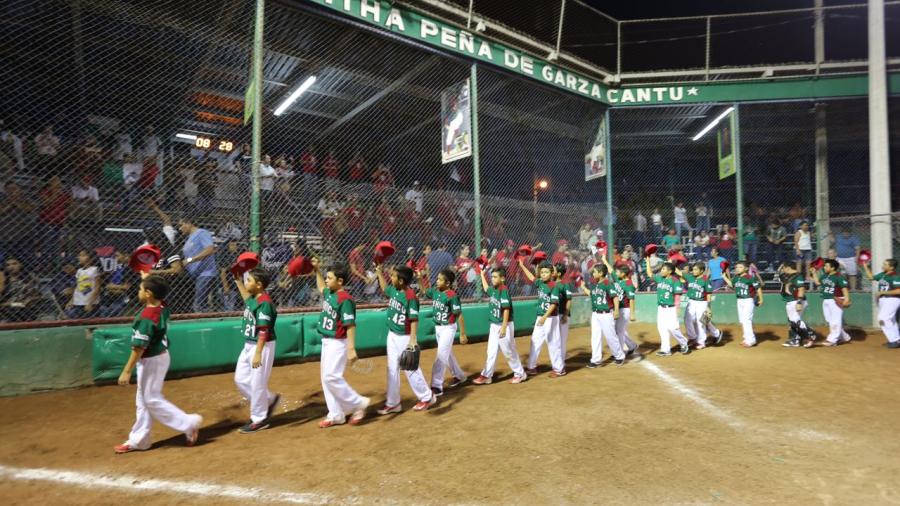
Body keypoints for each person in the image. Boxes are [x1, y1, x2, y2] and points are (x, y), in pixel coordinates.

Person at [113, 274, 202, 453]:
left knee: (151, 399)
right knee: (143, 401)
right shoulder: (161, 307)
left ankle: (188, 423)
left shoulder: (146, 317)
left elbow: (138, 348)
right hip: (159, 356)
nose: (138, 291)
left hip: (151, 361)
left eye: (141, 289)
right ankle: (140, 440)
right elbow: (158, 298)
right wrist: (147, 277)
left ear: (148, 293)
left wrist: (126, 371)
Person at [311, 259, 370, 428]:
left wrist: (351, 348)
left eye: (330, 277)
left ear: (340, 281)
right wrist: (316, 271)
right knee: (326, 379)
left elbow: (350, 324)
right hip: (327, 341)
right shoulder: (331, 292)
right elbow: (321, 287)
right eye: (327, 277)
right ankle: (336, 414)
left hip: (338, 342)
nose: (327, 280)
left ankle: (358, 403)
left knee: (332, 377)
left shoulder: (345, 300)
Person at [373, 264, 436, 414]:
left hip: (405, 337)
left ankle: (427, 397)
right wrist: (379, 273)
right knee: (392, 369)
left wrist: (412, 340)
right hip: (392, 334)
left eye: (394, 276)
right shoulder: (394, 289)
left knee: (410, 368)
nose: (391, 278)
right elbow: (384, 288)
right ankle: (393, 402)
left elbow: (414, 319)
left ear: (401, 281)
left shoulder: (410, 297)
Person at [232, 267, 281, 433]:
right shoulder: (254, 298)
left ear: (259, 285)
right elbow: (247, 300)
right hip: (249, 345)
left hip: (262, 345)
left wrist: (258, 353)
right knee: (240, 379)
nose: (247, 283)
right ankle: (268, 399)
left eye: (249, 280)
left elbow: (263, 331)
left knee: (257, 383)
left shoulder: (265, 303)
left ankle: (259, 419)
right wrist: (238, 281)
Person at [418, 268, 468, 396]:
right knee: (447, 354)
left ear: (448, 283)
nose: (437, 281)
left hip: (448, 328)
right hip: (438, 328)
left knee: (441, 356)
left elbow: (459, 315)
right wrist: (419, 277)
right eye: (438, 278)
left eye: (440, 279)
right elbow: (424, 290)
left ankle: (437, 386)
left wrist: (462, 333)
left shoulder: (452, 296)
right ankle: (459, 375)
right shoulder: (436, 292)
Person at [472, 267, 527, 384]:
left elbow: (506, 309)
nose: (492, 279)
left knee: (508, 351)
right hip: (494, 325)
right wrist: (482, 274)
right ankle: (487, 375)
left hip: (504, 324)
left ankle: (520, 373)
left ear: (502, 278)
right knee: (491, 351)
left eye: (495, 277)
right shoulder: (494, 290)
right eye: (492, 277)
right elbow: (486, 288)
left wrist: (503, 326)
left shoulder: (504, 290)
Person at [519, 259, 564, 377]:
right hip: (541, 317)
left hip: (550, 317)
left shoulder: (554, 286)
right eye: (542, 272)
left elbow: (554, 304)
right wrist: (522, 266)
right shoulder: (540, 283)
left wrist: (544, 317)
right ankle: (532, 367)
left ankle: (559, 369)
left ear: (551, 273)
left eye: (546, 272)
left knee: (553, 343)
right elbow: (531, 277)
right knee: (535, 340)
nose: (543, 274)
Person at [581, 264, 623, 367]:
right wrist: (582, 287)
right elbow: (591, 293)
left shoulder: (608, 283)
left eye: (595, 272)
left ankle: (619, 356)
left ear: (601, 273)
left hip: (606, 314)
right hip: (595, 314)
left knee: (610, 337)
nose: (593, 273)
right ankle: (596, 360)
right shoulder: (595, 284)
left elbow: (615, 297)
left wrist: (616, 310)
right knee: (595, 337)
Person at [645, 259, 690, 357]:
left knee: (673, 328)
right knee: (662, 328)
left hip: (671, 308)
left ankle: (683, 342)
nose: (661, 271)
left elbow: (677, 296)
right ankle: (666, 350)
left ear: (669, 271)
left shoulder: (675, 281)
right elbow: (649, 273)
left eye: (663, 269)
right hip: (661, 308)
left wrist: (677, 309)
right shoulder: (660, 278)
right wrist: (647, 260)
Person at [178, 216, 217, 313]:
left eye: (181, 225)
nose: (180, 228)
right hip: (194, 275)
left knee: (199, 305)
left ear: (189, 223)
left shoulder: (201, 233)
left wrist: (190, 260)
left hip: (205, 274)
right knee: (196, 304)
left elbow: (210, 249)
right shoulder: (189, 238)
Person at [811, 259, 852, 347]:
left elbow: (844, 288)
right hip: (826, 300)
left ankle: (832, 340)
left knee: (835, 320)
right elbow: (818, 283)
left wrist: (847, 299)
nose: (824, 267)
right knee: (829, 320)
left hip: (836, 300)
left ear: (833, 268)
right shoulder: (825, 276)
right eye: (824, 266)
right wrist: (814, 273)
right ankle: (845, 337)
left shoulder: (839, 277)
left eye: (826, 266)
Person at [681, 262, 722, 350]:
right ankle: (692, 337)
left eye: (696, 269)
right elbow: (678, 272)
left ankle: (701, 342)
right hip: (691, 302)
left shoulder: (705, 280)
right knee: (687, 319)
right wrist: (671, 261)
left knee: (702, 322)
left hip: (702, 302)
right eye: (693, 269)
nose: (693, 271)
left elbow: (709, 294)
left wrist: (708, 307)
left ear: (702, 271)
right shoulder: (690, 277)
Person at [723, 261, 764, 348]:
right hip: (739, 300)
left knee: (746, 320)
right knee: (742, 321)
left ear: (745, 268)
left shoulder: (750, 277)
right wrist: (724, 277)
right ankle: (746, 338)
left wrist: (761, 299)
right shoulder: (736, 277)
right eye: (737, 267)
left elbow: (758, 288)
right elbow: (732, 285)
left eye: (740, 267)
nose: (737, 269)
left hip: (748, 300)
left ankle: (751, 340)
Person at [861, 258, 900, 348]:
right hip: (884, 300)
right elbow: (871, 277)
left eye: (885, 264)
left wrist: (883, 292)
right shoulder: (883, 275)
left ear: (891, 267)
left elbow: (899, 291)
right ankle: (896, 339)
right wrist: (865, 267)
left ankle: (894, 340)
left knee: (882, 318)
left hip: (892, 300)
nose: (883, 266)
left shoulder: (895, 276)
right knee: (891, 320)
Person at [778, 262, 815, 348]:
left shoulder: (797, 276)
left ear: (788, 267)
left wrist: (799, 302)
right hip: (790, 301)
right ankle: (795, 340)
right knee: (792, 322)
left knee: (795, 321)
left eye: (783, 268)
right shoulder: (787, 276)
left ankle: (810, 335)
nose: (782, 270)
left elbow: (801, 289)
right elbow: (777, 276)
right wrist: (780, 269)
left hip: (796, 301)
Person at [0, 257, 40, 322]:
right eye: (8, 265)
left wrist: (30, 299)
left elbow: (36, 295)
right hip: (8, 308)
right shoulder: (4, 281)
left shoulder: (29, 279)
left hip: (26, 309)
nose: (11, 267)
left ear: (20, 265)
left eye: (14, 264)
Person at [98, 249, 136, 317]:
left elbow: (127, 289)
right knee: (103, 310)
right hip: (113, 297)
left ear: (126, 256)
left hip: (124, 299)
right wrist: (119, 288)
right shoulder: (118, 269)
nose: (115, 258)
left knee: (112, 311)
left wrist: (114, 288)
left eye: (117, 256)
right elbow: (108, 286)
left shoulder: (130, 269)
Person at [65, 249, 100, 319]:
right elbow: (77, 288)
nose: (79, 257)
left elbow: (97, 288)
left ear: (91, 258)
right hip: (78, 302)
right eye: (79, 255)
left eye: (83, 255)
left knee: (89, 321)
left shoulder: (94, 270)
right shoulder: (79, 271)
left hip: (90, 302)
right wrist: (72, 301)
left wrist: (90, 303)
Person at [553, 262, 574, 366]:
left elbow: (569, 300)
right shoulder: (551, 283)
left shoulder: (565, 284)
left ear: (559, 273)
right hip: (554, 315)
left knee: (562, 339)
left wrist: (565, 315)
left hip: (562, 314)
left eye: (554, 270)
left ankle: (561, 361)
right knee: (555, 339)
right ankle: (557, 359)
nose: (552, 271)